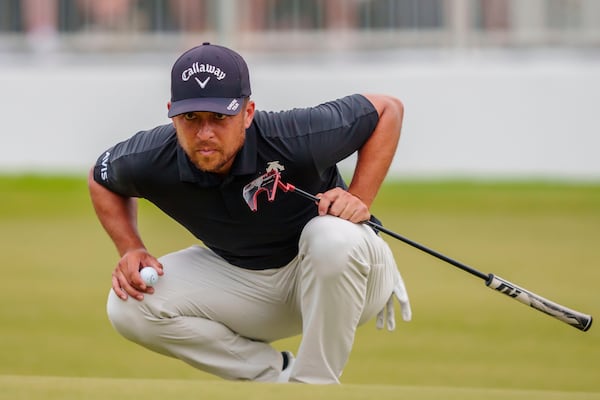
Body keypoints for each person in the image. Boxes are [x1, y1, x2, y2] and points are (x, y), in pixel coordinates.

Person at [88, 42, 411, 384]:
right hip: (252, 286)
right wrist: (130, 247)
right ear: (171, 112)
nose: (205, 133)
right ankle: (278, 376)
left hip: (350, 278)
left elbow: (388, 109)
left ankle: (314, 386)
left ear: (248, 112)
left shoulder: (295, 136)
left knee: (329, 235)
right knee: (128, 306)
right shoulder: (152, 157)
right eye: (190, 118)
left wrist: (359, 196)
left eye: (220, 117)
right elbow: (101, 177)